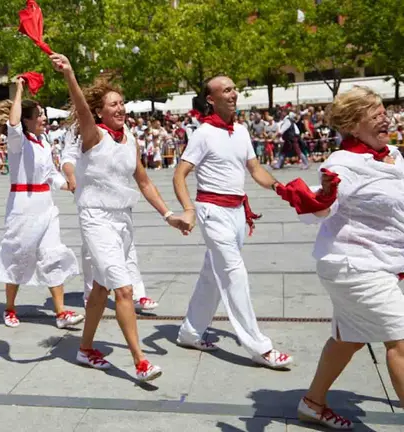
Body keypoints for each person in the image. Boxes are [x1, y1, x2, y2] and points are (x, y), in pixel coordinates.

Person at [53, 54, 187, 381]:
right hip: (96, 219)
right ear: (100, 112)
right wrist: (69, 74)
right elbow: (81, 109)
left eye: (122, 103)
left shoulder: (130, 139)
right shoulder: (93, 136)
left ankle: (85, 348)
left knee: (101, 289)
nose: (120, 108)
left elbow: (144, 181)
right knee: (124, 291)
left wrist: (169, 214)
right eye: (113, 104)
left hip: (123, 221)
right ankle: (140, 362)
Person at [290, 87, 404, 430]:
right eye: (375, 114)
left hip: (383, 261)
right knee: (401, 341)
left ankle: (312, 403)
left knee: (349, 337)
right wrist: (322, 197)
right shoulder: (342, 164)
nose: (385, 118)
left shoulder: (393, 154)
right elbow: (321, 208)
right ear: (354, 125)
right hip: (355, 265)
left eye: (384, 111)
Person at [172, 76, 293, 369]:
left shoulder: (240, 130)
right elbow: (179, 175)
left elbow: (255, 169)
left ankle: (189, 332)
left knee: (212, 276)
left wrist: (281, 188)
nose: (233, 93)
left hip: (238, 212)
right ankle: (260, 347)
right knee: (234, 274)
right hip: (212, 212)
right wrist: (188, 209)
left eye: (234, 89)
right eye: (226, 90)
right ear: (210, 99)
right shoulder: (203, 133)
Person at [0, 77, 83, 330]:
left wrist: (67, 184)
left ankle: (61, 312)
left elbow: (50, 174)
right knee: (18, 255)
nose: (44, 119)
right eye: (39, 115)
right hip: (23, 206)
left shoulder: (43, 143)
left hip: (46, 205)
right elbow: (13, 123)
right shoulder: (18, 142)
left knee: (52, 254)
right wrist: (19, 89)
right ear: (27, 120)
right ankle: (10, 308)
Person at [60, 125, 160, 312]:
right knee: (90, 252)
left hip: (119, 199)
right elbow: (67, 158)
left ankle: (137, 294)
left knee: (128, 248)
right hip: (94, 201)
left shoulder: (123, 130)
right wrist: (71, 175)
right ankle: (90, 294)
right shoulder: (78, 128)